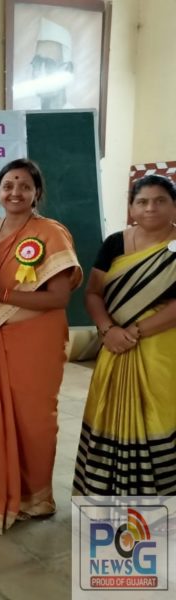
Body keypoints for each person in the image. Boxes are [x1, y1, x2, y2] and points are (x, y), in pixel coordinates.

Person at [0, 158, 83, 534]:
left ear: (36, 193)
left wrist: (0, 294)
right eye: (8, 185)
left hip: (37, 339)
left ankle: (36, 498)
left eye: (25, 186)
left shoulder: (50, 232)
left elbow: (58, 298)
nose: (16, 192)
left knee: (34, 420)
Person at [73, 174, 176, 495]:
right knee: (108, 414)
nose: (150, 208)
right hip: (114, 347)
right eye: (142, 202)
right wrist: (108, 330)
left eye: (160, 201)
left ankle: (161, 506)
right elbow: (93, 293)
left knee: (159, 416)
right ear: (131, 208)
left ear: (174, 206)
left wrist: (133, 332)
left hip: (162, 350)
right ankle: (105, 501)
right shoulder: (115, 243)